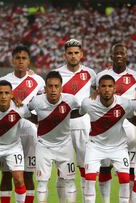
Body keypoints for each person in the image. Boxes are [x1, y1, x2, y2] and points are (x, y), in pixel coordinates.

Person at [96, 43, 136, 202]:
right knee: (105, 167)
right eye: (116, 53)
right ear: (111, 56)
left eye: (122, 53)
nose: (118, 56)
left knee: (131, 167)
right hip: (107, 127)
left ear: (126, 56)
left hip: (130, 125)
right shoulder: (101, 76)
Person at [0, 45, 45, 203]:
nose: (20, 61)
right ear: (12, 60)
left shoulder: (38, 81)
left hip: (30, 133)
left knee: (27, 174)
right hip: (8, 133)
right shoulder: (3, 81)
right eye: (17, 58)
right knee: (6, 174)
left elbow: (42, 106)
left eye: (24, 58)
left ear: (29, 61)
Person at [27, 71, 80, 203]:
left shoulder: (70, 100)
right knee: (42, 182)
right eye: (50, 86)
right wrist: (39, 120)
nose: (53, 89)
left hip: (65, 146)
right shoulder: (37, 101)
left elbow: (81, 111)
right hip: (43, 146)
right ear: (45, 88)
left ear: (61, 87)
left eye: (56, 86)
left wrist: (63, 118)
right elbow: (26, 112)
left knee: (69, 180)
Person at [80, 75, 134, 203]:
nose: (107, 89)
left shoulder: (125, 104)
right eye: (103, 86)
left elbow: (133, 118)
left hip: (119, 147)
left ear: (115, 88)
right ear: (98, 89)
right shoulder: (88, 103)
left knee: (125, 179)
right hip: (95, 146)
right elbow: (80, 112)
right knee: (90, 179)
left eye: (110, 86)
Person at [55, 39, 96, 201]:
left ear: (81, 54)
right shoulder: (57, 73)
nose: (73, 56)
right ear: (65, 55)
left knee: (85, 168)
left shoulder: (91, 74)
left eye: (76, 53)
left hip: (84, 124)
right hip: (62, 125)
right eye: (70, 53)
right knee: (62, 169)